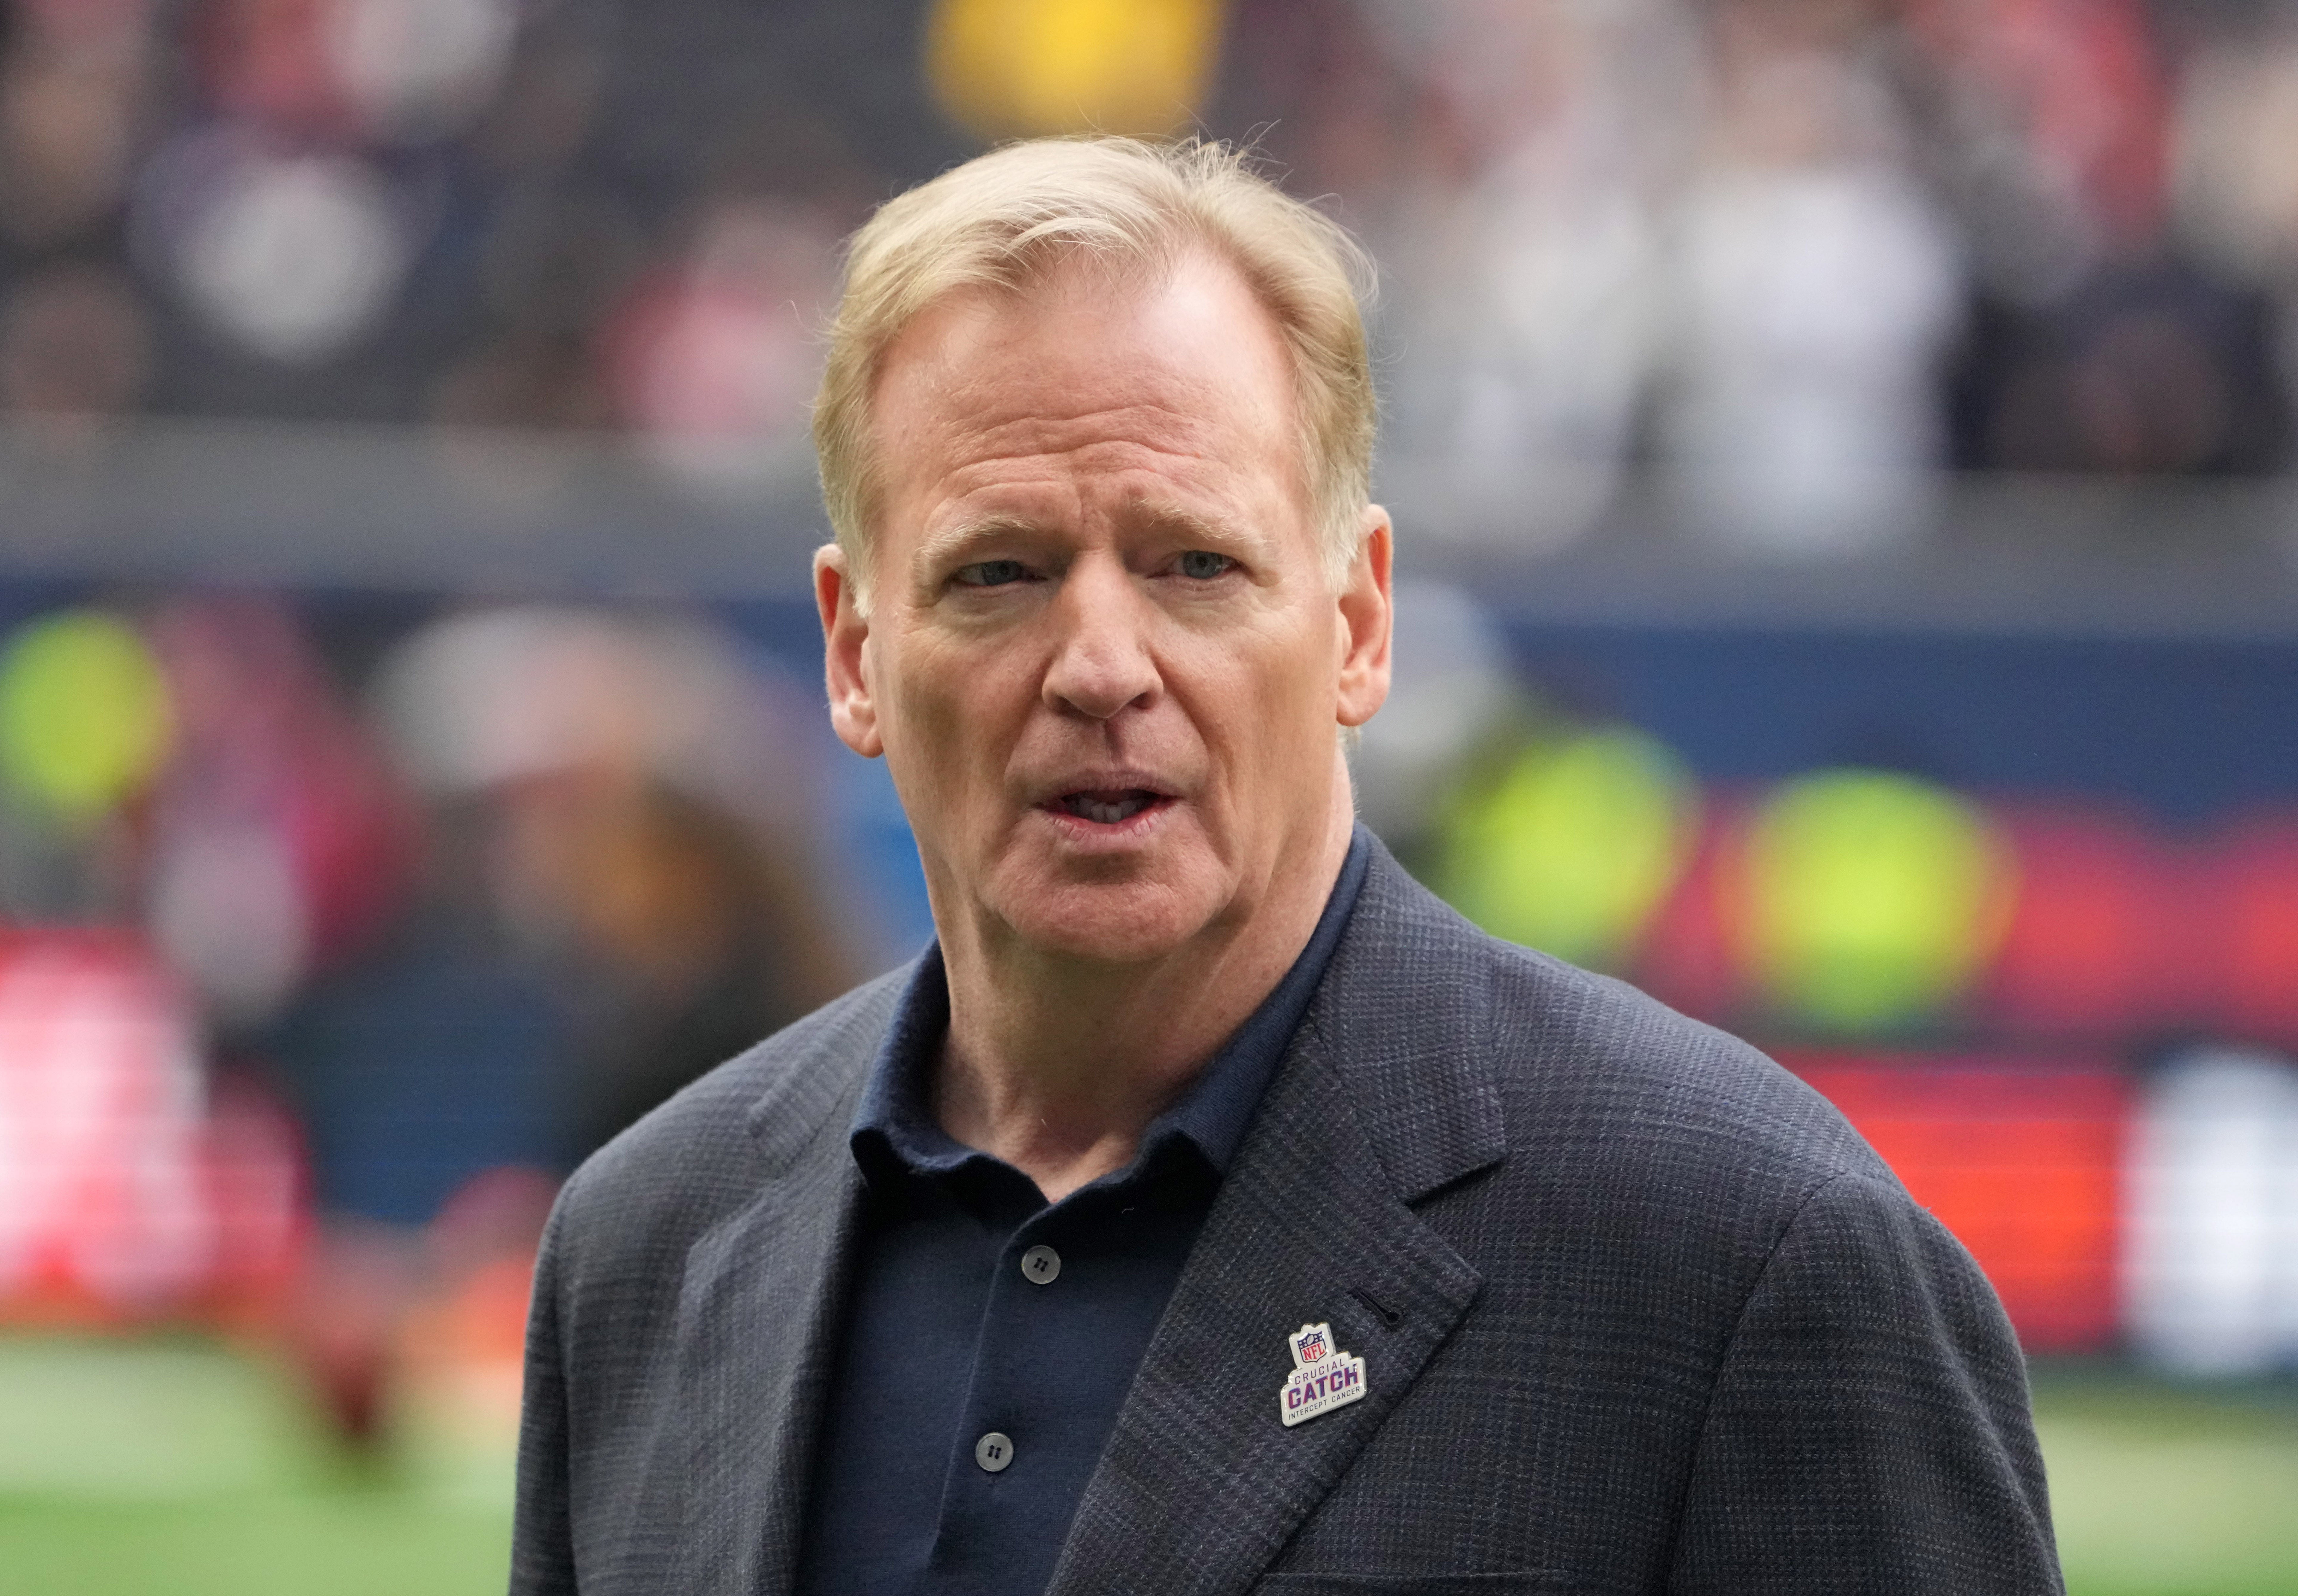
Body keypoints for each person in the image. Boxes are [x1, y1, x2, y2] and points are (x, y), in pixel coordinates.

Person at [511, 137, 2061, 1596]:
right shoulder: (643, 1247)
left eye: (1195, 563)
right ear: (856, 648)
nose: (1101, 663)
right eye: (998, 573)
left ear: (1357, 618)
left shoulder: (1745, 1256)